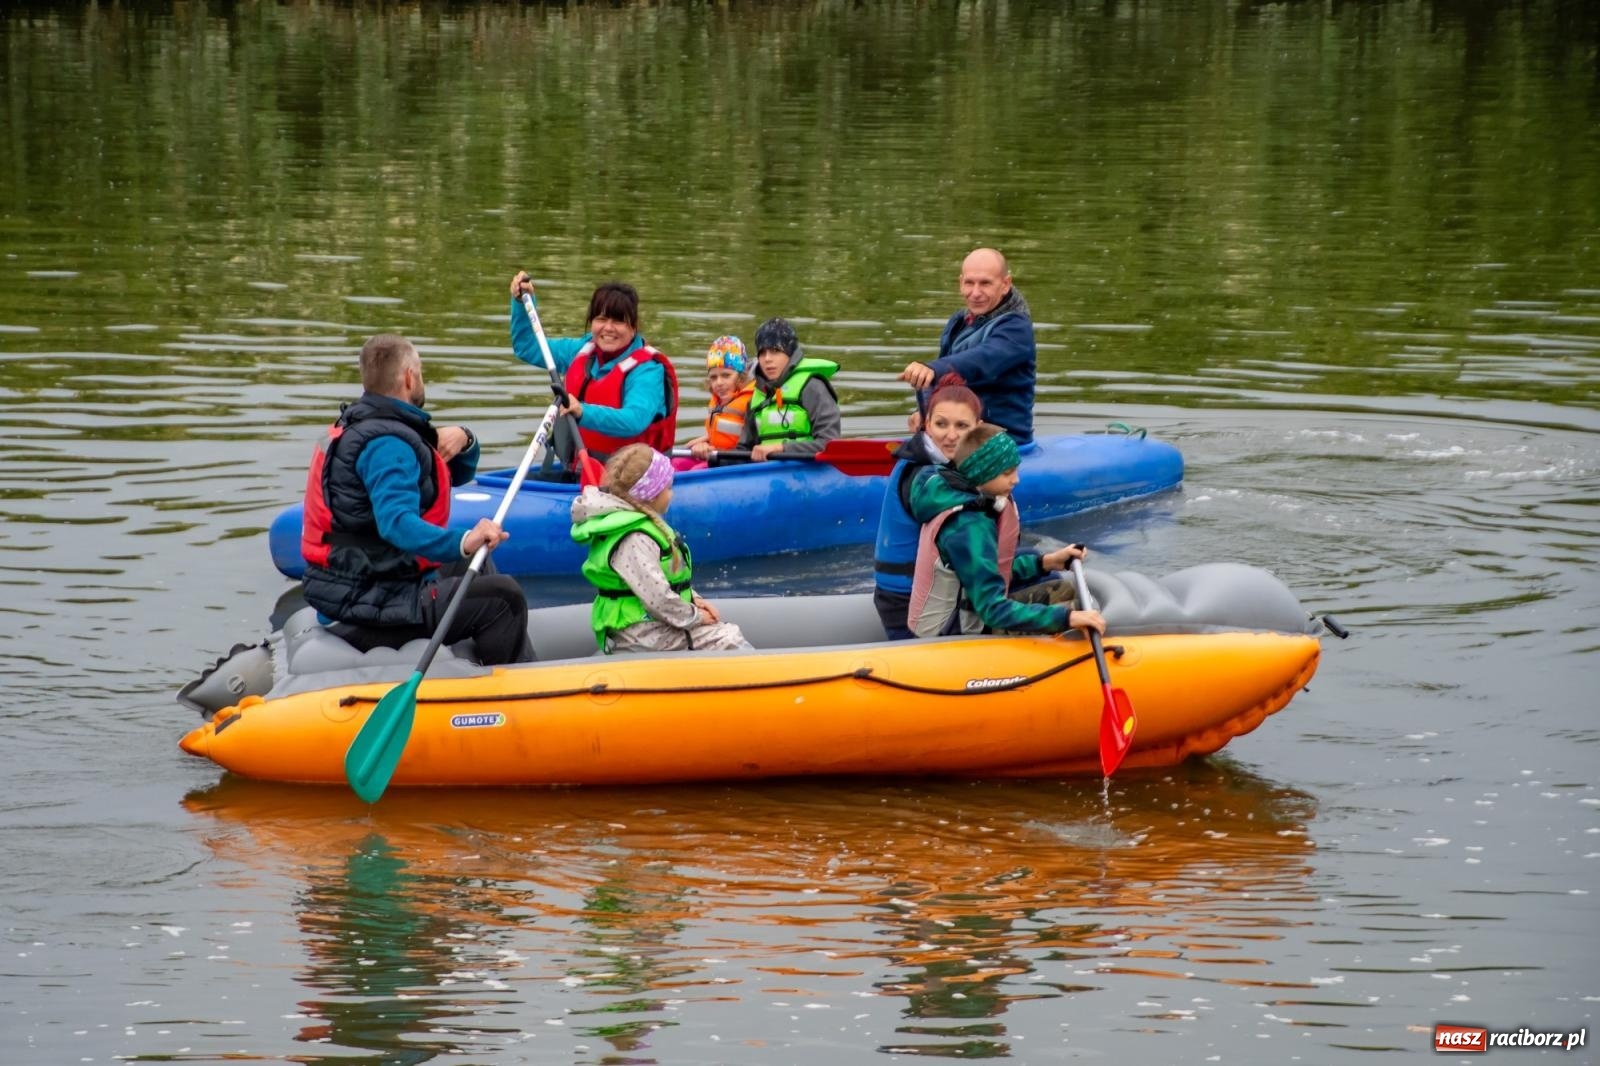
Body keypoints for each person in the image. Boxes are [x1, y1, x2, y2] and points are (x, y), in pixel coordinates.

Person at [299, 334, 533, 666]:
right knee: (503, 597)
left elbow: (444, 478)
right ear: (409, 377)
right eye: (420, 371)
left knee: (473, 562)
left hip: (361, 581)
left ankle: (484, 663)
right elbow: (396, 523)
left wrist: (465, 438)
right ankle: (516, 694)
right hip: (368, 602)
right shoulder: (387, 445)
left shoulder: (365, 426)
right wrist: (465, 539)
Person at [907, 423, 1105, 639]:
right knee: (1072, 612)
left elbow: (990, 570)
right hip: (953, 634)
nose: (1016, 479)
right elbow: (992, 609)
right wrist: (1068, 619)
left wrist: (1045, 562)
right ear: (983, 472)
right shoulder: (968, 525)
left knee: (1064, 589)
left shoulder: (971, 504)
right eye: (1007, 473)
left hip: (969, 615)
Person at [569, 444, 751, 654]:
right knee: (728, 638)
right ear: (652, 494)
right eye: (668, 488)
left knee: (723, 632)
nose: (671, 495)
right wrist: (697, 617)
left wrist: (695, 600)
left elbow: (662, 581)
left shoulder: (639, 526)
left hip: (650, 626)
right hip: (640, 635)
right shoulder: (634, 539)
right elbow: (658, 598)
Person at [508, 271, 678, 461]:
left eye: (618, 321)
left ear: (634, 326)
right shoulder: (581, 350)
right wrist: (522, 304)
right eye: (601, 319)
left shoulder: (648, 370)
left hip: (633, 481)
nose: (608, 328)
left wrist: (582, 411)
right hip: (581, 472)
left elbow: (634, 420)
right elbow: (526, 346)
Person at [873, 373, 983, 639]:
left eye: (962, 426)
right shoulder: (922, 475)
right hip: (909, 605)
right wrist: (996, 492)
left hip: (917, 595)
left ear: (978, 428)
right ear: (926, 425)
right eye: (941, 424)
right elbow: (945, 501)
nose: (951, 435)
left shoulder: (947, 466)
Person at [898, 248, 1036, 445]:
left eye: (985, 283)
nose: (975, 293)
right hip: (957, 437)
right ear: (960, 283)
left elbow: (982, 361)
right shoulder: (959, 321)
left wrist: (932, 369)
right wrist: (926, 412)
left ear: (1005, 284)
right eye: (969, 283)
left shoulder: (1017, 329)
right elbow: (944, 384)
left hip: (1003, 441)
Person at [736, 316, 842, 461]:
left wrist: (781, 448)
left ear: (790, 354)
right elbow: (743, 451)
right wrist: (710, 454)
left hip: (808, 472)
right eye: (762, 353)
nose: (767, 359)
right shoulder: (757, 397)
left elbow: (830, 444)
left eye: (775, 351)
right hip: (768, 475)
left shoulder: (812, 387)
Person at [684, 335, 756, 461]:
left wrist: (707, 448)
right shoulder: (717, 401)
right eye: (713, 377)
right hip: (716, 454)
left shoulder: (752, 401)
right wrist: (704, 441)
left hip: (735, 460)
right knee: (678, 462)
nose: (719, 383)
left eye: (726, 375)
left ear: (741, 376)